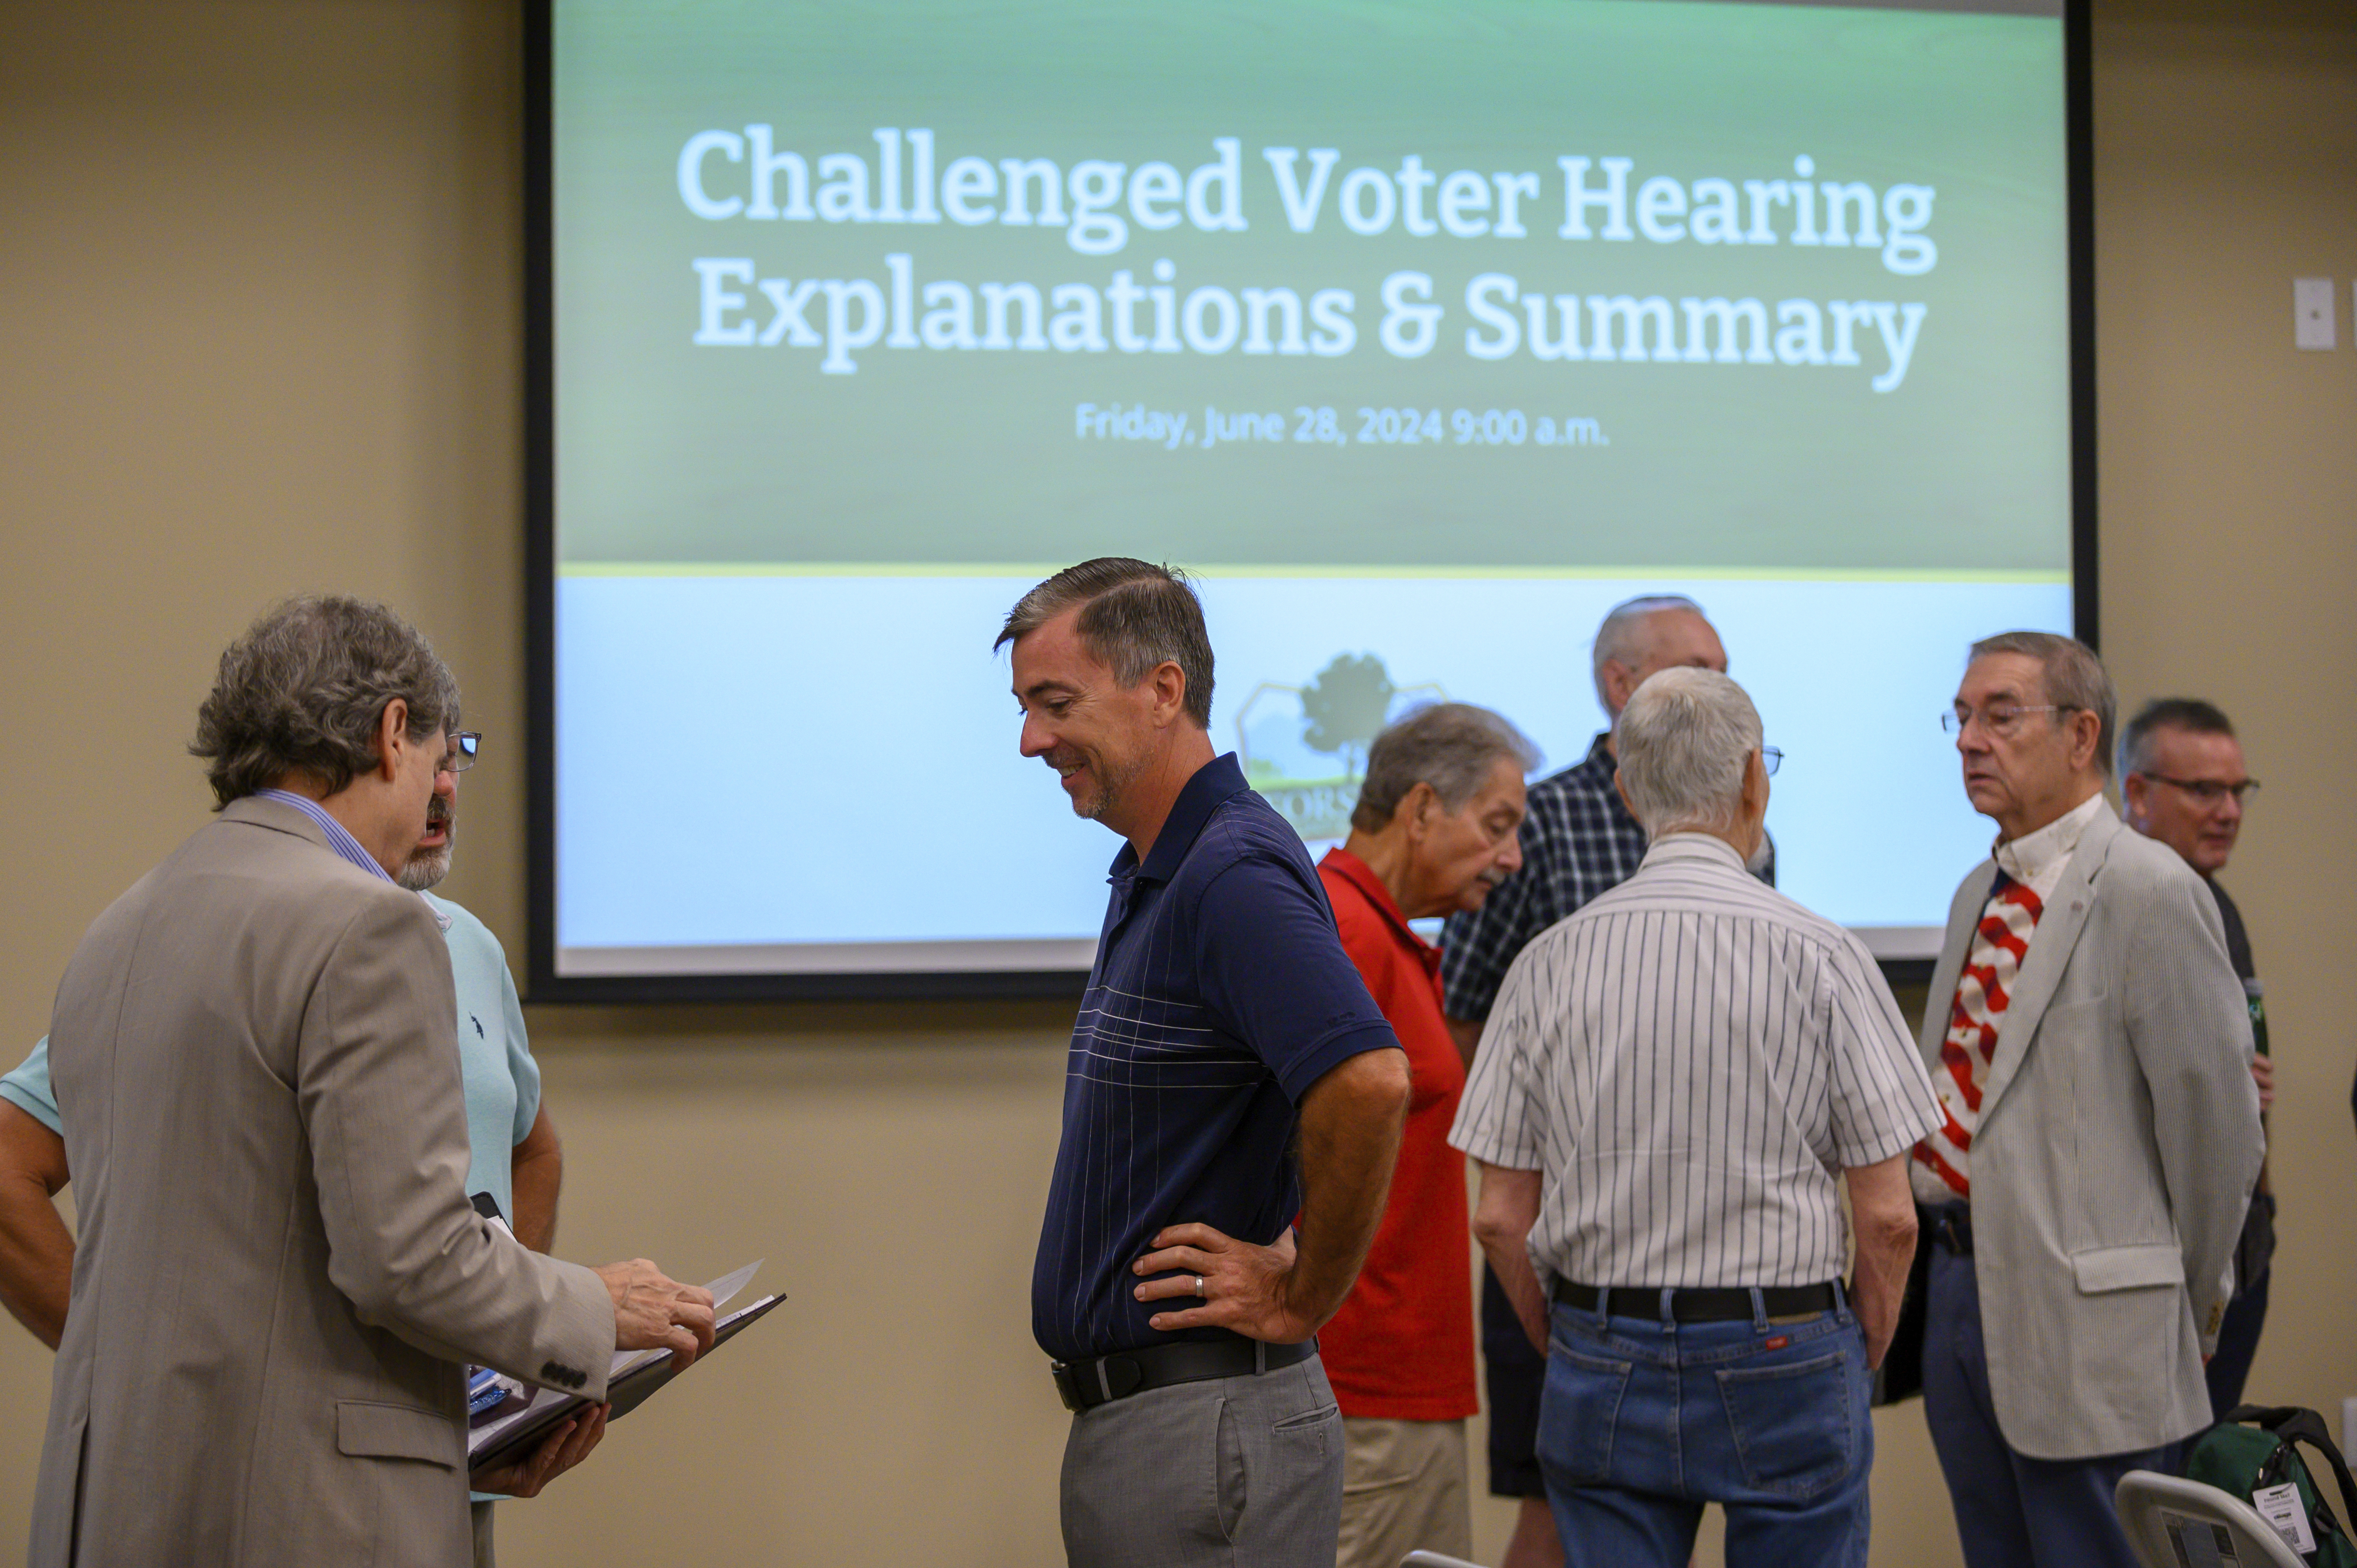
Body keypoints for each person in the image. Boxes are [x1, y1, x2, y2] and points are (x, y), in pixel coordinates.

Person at [27, 596, 716, 1568]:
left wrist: (456, 1432)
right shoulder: (370, 925)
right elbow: (411, 1259)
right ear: (395, 733)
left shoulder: (120, 931)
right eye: (445, 752)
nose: (447, 783)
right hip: (306, 1518)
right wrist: (597, 1312)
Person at [0, 719, 576, 1561]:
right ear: (381, 753)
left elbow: (533, 1148)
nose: (446, 788)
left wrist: (505, 1381)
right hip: (281, 1494)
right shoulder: (222, 937)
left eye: (463, 760)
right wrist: (118, 1360)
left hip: (441, 1486)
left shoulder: (471, 948)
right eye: (432, 759)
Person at [1451, 668, 1939, 1568]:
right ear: (1756, 778)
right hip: (1788, 1341)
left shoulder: (1545, 965)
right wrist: (1856, 1345)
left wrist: (1569, 1338)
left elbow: (1498, 1214)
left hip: (1599, 1345)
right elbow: (1889, 1214)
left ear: (1629, 788)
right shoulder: (1826, 955)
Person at [998, 558, 1412, 1568]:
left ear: (1165, 690)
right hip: (1170, 1429)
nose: (1031, 740)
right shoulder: (1157, 867)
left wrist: (1306, 1293)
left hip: (1206, 1428)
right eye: (1024, 709)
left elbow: (1369, 1082)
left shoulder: (1227, 871)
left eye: (1057, 704)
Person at [1911, 632, 2263, 1568]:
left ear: (2080, 737)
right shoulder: (1970, 896)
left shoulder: (2152, 889)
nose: (1968, 741)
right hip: (1959, 1291)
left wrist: (2180, 1313)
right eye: (1961, 716)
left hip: (2097, 1317)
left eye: (1999, 715)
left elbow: (2217, 1132)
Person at [1437, 592, 1762, 1568]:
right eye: (1700, 664)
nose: (1724, 684)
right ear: (1621, 686)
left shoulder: (1753, 829)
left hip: (1722, 1250)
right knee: (1561, 1516)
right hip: (1569, 1250)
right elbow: (1463, 1012)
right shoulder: (1535, 821)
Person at [1315, 704, 1537, 1568]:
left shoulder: (1384, 935)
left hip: (1404, 1380)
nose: (1512, 858)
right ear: (1418, 812)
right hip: (1364, 1382)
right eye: (1497, 827)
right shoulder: (1342, 931)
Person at [2118, 697, 2274, 1416]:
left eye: (2237, 791)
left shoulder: (2221, 905)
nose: (2229, 811)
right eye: (2205, 791)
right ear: (2139, 793)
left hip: (2239, 1249)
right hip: (2149, 1263)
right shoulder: (2110, 905)